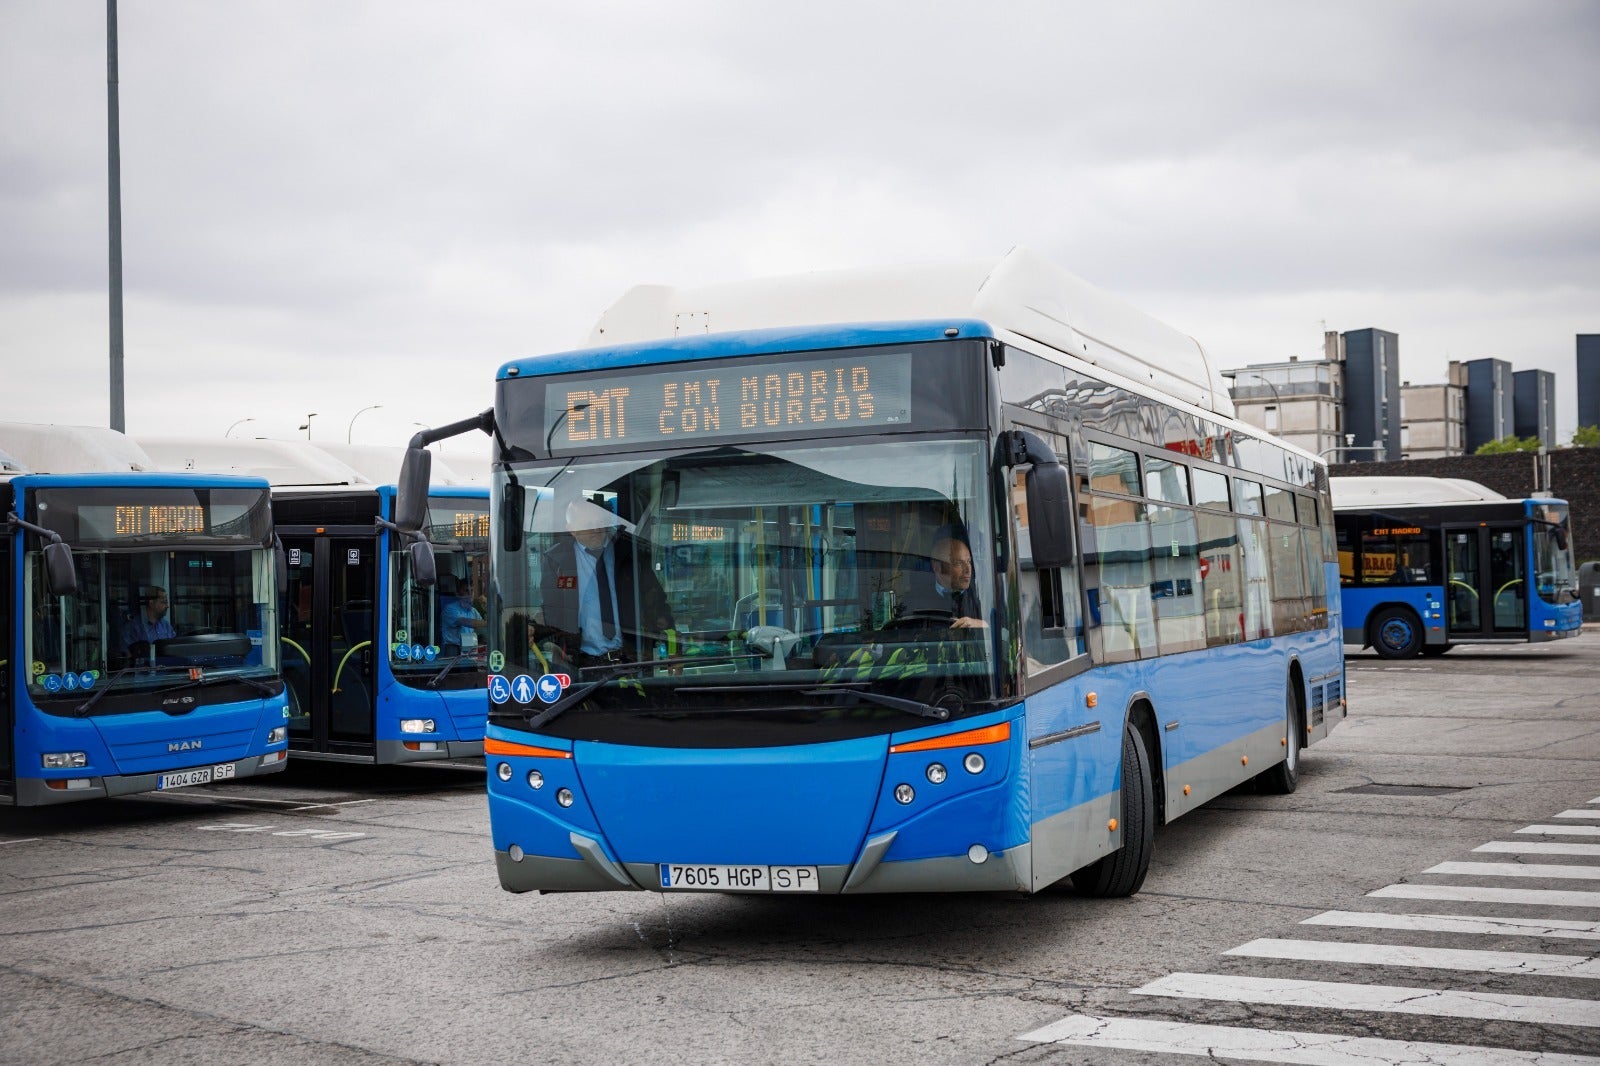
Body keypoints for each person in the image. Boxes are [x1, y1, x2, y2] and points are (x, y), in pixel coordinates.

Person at [537, 498, 673, 668]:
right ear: (571, 530)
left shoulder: (630, 554)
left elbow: (656, 601)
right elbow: (551, 612)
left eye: (598, 522)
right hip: (579, 663)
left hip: (631, 660)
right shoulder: (556, 561)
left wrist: (671, 644)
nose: (595, 529)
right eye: (587, 524)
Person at [903, 531, 986, 630]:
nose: (968, 570)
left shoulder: (982, 595)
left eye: (968, 562)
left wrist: (981, 625)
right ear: (937, 567)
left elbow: (1005, 630)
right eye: (958, 563)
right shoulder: (915, 601)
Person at [438, 574, 486, 652]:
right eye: (467, 591)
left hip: (469, 649)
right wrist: (488, 623)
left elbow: (481, 627)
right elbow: (464, 621)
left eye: (472, 591)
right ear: (458, 593)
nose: (470, 594)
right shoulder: (450, 608)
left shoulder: (473, 611)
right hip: (453, 651)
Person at [123, 585, 176, 652]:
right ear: (151, 603)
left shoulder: (165, 625)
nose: (167, 606)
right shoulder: (134, 627)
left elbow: (174, 648)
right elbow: (128, 653)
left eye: (167, 603)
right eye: (163, 602)